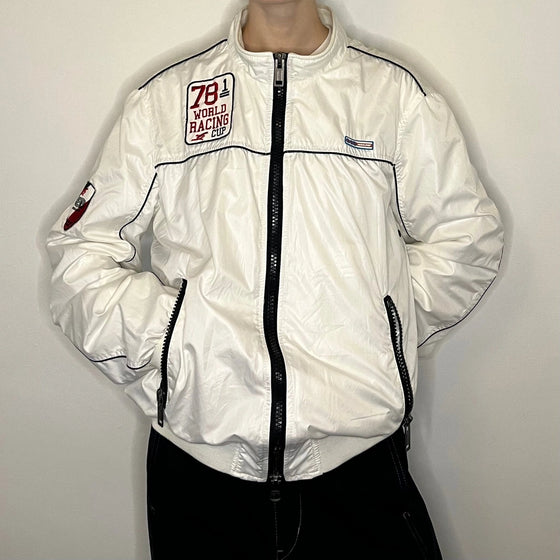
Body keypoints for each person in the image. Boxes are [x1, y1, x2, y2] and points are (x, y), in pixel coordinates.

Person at [47, 0, 504, 558]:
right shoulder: (165, 102)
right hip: (199, 474)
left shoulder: (394, 98)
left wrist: (379, 329)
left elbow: (468, 238)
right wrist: (171, 343)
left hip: (359, 469)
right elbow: (80, 257)